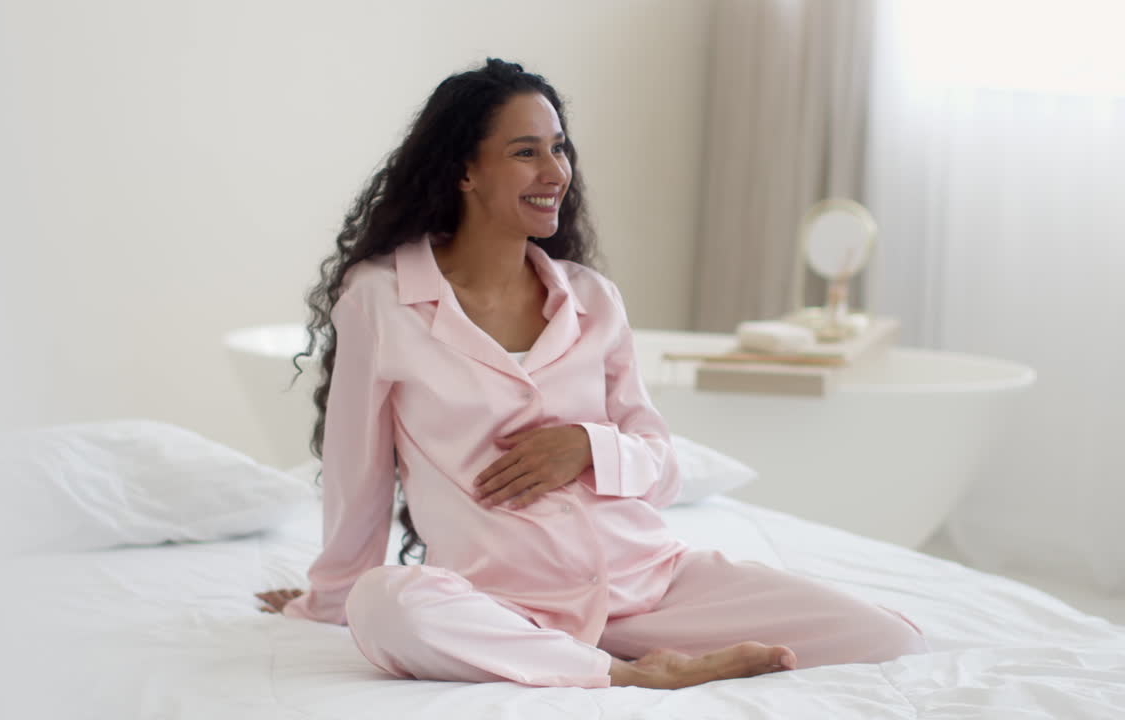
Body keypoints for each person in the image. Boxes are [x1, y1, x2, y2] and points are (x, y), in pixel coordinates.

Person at [256, 58, 928, 689]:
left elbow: (661, 464)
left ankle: (602, 651)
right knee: (387, 604)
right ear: (465, 170)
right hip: (503, 603)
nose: (555, 170)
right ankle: (626, 674)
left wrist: (587, 446)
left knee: (888, 639)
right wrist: (331, 599)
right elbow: (358, 473)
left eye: (560, 148)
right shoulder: (381, 298)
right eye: (527, 152)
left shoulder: (591, 298)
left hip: (647, 581)